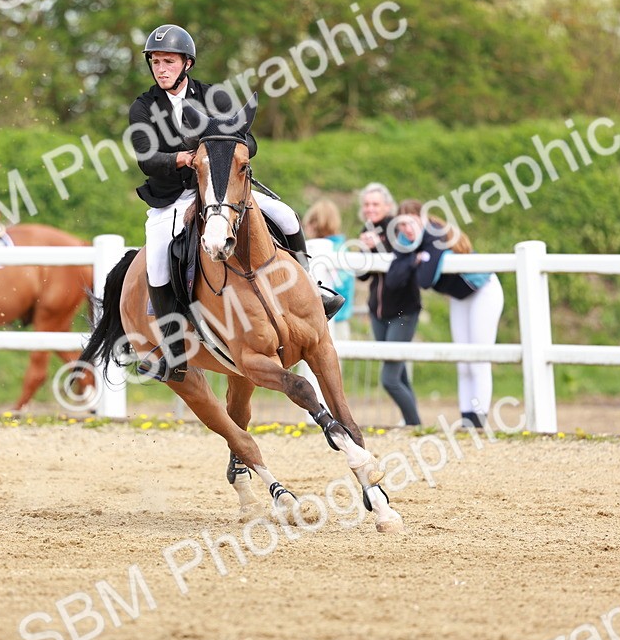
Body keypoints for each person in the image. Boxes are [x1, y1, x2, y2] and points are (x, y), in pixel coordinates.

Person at [126, 24, 343, 382]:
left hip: (223, 191)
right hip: (172, 197)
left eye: (168, 61)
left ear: (187, 63)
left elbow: (250, 142)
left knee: (286, 216)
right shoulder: (144, 107)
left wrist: (226, 149)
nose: (161, 68)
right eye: (155, 62)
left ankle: (313, 289)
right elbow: (146, 159)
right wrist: (185, 158)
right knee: (159, 255)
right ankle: (172, 344)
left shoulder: (216, 98)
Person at [396, 199, 504, 428]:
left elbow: (423, 280)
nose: (406, 229)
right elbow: (399, 276)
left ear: (422, 219)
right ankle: (467, 419)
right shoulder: (408, 243)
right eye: (402, 224)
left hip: (483, 290)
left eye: (411, 222)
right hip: (460, 296)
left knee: (478, 359)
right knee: (462, 360)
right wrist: (416, 261)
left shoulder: (434, 235)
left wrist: (415, 262)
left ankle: (479, 420)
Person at [357, 183, 422, 426]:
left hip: (403, 310)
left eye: (375, 204)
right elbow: (362, 275)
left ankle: (415, 425)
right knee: (400, 374)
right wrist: (364, 249)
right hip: (378, 312)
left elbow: (400, 263)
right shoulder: (367, 229)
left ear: (387, 206)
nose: (370, 209)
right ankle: (413, 424)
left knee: (390, 379)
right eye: (366, 204)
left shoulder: (398, 226)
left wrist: (377, 245)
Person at [303, 199, 355, 340]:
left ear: (315, 224)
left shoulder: (318, 249)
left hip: (332, 317)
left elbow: (339, 283)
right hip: (341, 316)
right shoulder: (343, 248)